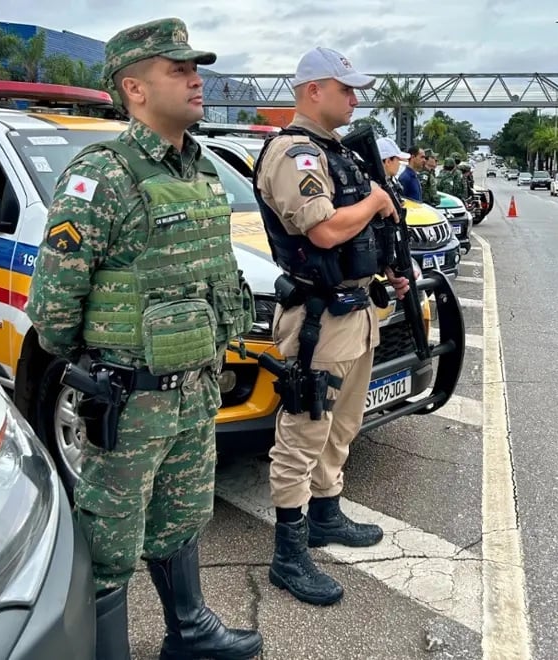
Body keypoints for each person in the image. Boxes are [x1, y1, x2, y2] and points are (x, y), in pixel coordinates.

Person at [26, 18, 262, 660]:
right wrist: (106, 364)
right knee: (109, 542)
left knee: (182, 519)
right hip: (131, 401)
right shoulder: (102, 176)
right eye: (178, 70)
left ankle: (190, 633)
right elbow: (52, 310)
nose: (196, 80)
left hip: (196, 390)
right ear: (134, 87)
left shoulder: (201, 169)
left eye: (195, 68)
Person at [253, 46, 409, 606]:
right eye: (346, 89)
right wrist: (373, 201)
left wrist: (389, 269)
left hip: (355, 309)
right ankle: (288, 556)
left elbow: (360, 231)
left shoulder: (336, 152)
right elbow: (321, 231)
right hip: (319, 316)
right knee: (303, 433)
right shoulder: (294, 152)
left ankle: (325, 514)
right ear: (313, 90)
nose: (355, 97)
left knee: (341, 426)